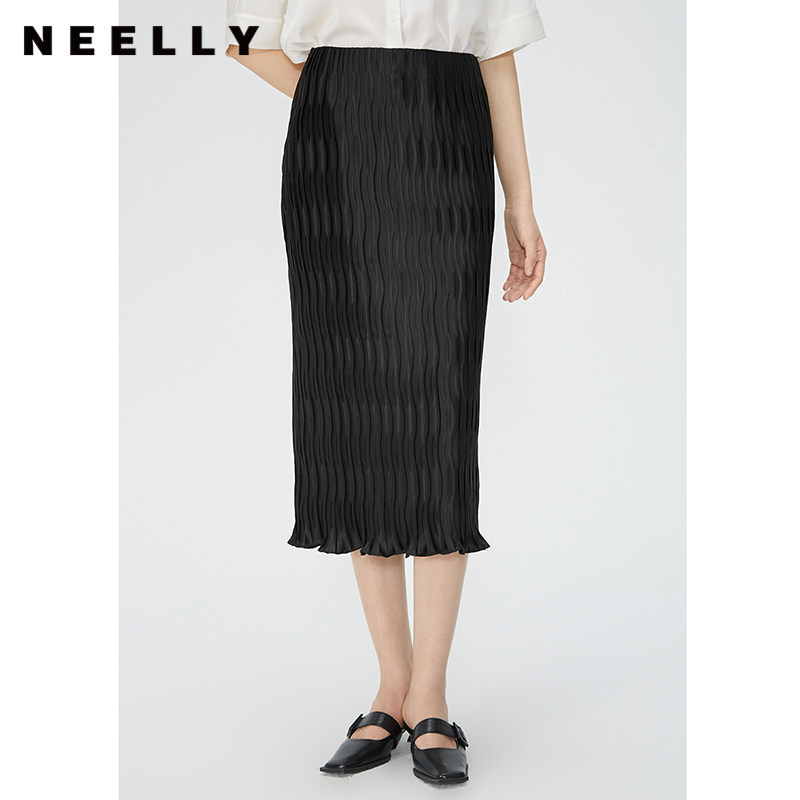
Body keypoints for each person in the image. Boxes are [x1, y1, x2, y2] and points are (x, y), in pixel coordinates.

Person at [224, 0, 548, 785]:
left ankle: (430, 696)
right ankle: (391, 691)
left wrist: (521, 199)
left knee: (437, 409)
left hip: (448, 140)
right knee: (359, 407)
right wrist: (340, 95)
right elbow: (242, 39)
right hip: (338, 152)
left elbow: (496, 53)